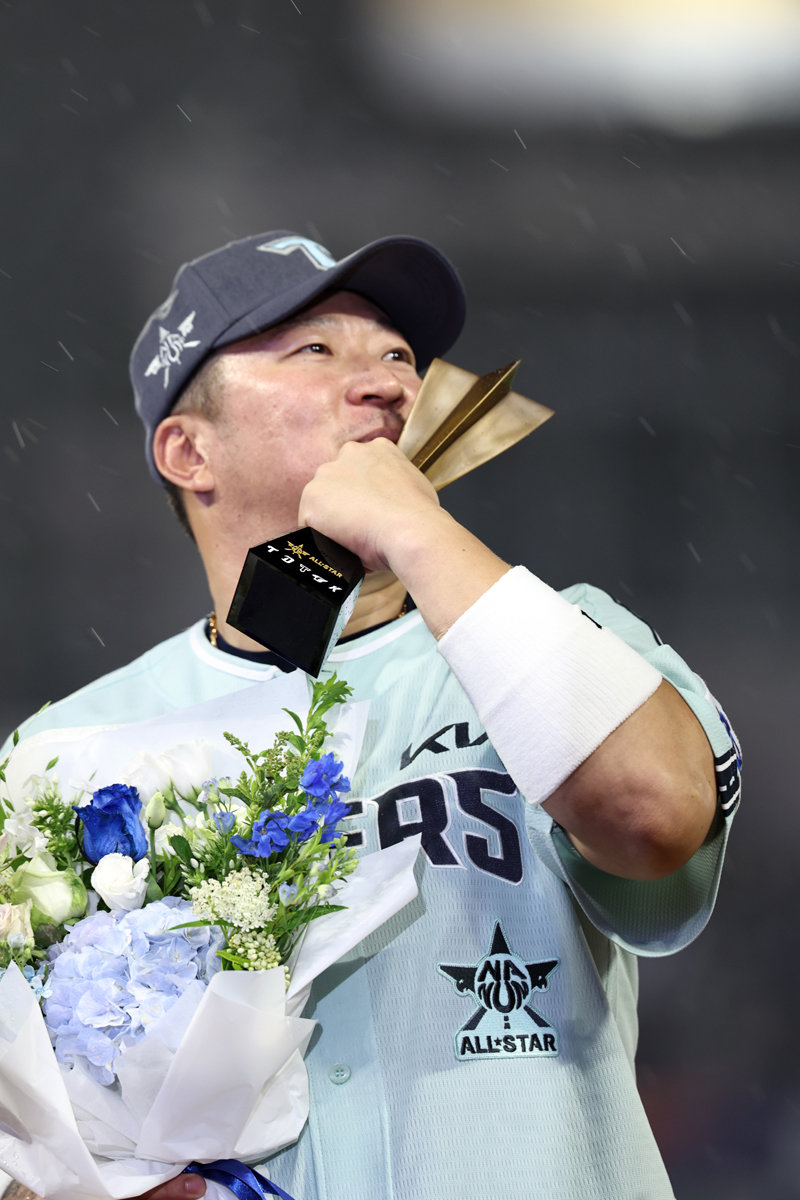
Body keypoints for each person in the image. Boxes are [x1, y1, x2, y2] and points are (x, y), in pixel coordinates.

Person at [3, 231, 741, 1200]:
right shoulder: (61, 753)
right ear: (189, 451)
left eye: (398, 356)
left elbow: (654, 814)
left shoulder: (561, 638)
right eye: (315, 351)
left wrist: (413, 528)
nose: (386, 384)